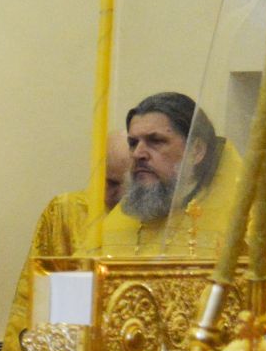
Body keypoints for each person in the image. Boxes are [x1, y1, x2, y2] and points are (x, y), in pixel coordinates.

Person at [1, 131, 130, 351]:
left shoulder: (157, 222)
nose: (110, 194)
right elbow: (34, 290)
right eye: (106, 181)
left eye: (119, 184)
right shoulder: (65, 211)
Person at [78, 91, 243, 256]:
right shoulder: (118, 222)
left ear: (196, 151)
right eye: (133, 143)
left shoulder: (239, 219)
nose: (138, 153)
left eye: (156, 141)